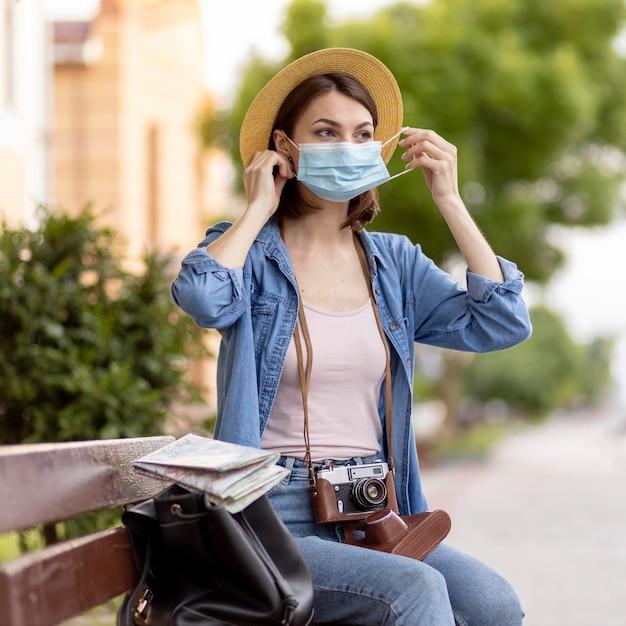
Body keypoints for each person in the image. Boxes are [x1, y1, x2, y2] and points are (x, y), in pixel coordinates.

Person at [172, 48, 531, 626]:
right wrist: (258, 207)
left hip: (374, 507)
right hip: (271, 512)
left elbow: (502, 323)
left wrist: (451, 200)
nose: (348, 145)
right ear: (285, 147)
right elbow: (202, 298)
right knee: (414, 593)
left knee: (492, 604)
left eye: (362, 134)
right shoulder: (249, 252)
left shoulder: (393, 262)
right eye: (326, 131)